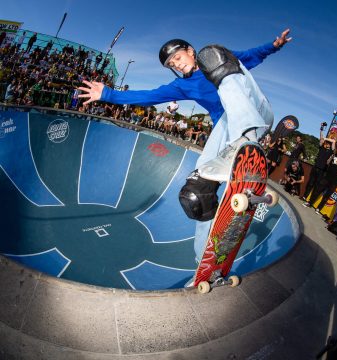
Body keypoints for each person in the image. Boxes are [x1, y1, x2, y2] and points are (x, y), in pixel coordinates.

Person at [78, 28, 292, 266]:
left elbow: (252, 56)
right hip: (226, 130)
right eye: (171, 64)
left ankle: (245, 140)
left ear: (190, 52)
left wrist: (274, 46)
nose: (176, 65)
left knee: (213, 56)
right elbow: (149, 95)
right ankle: (205, 262)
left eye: (178, 58)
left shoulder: (217, 58)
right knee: (197, 193)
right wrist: (108, 93)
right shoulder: (182, 86)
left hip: (256, 113)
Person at [303, 141, 337, 215]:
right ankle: (310, 203)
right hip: (327, 177)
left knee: (327, 195)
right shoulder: (334, 154)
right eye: (336, 147)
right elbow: (327, 163)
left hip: (334, 180)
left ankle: (319, 208)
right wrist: (331, 158)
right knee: (317, 189)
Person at [301, 124, 335, 201]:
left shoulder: (330, 151)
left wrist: (327, 138)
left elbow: (334, 142)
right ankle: (305, 196)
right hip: (315, 167)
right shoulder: (322, 147)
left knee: (316, 185)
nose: (326, 143)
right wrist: (321, 130)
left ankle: (310, 200)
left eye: (327, 143)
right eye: (326, 143)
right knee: (310, 182)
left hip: (322, 169)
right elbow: (321, 138)